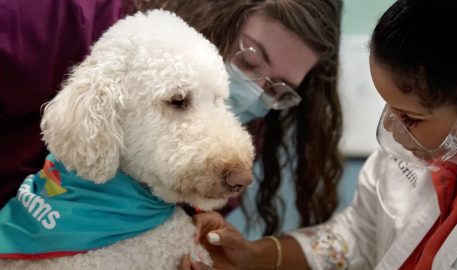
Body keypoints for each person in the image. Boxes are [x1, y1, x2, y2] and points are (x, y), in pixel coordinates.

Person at [178, 0, 457, 270]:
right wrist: (254, 255)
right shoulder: (435, 134)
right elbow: (361, 234)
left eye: (411, 118)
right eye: (389, 108)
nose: (395, 134)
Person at [0, 0, 344, 235]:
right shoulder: (58, 17)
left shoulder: (234, 132)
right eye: (251, 61)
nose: (255, 92)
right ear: (214, 9)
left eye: (278, 88)